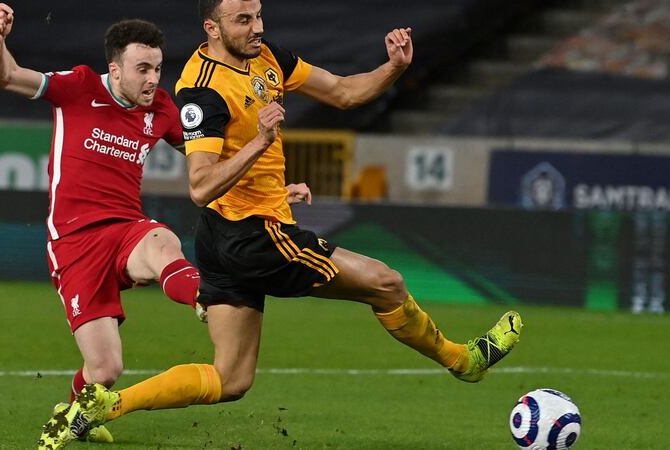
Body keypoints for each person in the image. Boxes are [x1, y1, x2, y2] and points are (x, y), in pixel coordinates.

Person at [42, 1, 524, 448]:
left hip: (228, 234)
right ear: (212, 28)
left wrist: (394, 67)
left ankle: (105, 405)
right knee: (387, 283)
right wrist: (262, 141)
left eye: (258, 15)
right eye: (243, 20)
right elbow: (200, 184)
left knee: (231, 379)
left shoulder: (267, 56)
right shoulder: (202, 90)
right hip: (252, 235)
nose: (257, 28)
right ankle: (465, 362)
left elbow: (342, 92)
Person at [0, 3, 205, 447]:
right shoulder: (79, 86)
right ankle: (67, 420)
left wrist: (271, 183)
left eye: (158, 69)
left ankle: (207, 296)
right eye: (142, 68)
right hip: (74, 241)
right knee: (105, 370)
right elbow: (5, 76)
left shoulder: (162, 109)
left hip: (127, 229)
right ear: (115, 69)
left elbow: (209, 162)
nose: (152, 79)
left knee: (164, 240)